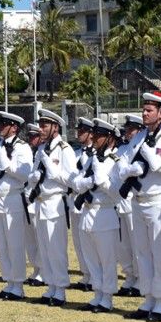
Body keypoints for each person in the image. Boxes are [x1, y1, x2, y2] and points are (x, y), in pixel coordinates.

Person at [118, 92, 161, 322]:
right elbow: (123, 162)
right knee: (142, 254)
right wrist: (127, 171)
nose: (145, 113)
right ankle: (147, 297)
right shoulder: (138, 139)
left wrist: (158, 164)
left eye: (150, 110)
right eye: (144, 109)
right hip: (138, 201)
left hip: (160, 201)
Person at [70, 118, 122, 312]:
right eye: (95, 135)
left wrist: (103, 182)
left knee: (106, 259)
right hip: (87, 211)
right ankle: (97, 293)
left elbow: (117, 193)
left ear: (109, 138)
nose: (95, 138)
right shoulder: (93, 159)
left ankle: (107, 297)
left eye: (99, 135)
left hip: (105, 213)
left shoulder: (115, 161)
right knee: (91, 257)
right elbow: (76, 183)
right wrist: (92, 180)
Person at [0, 111, 33, 299]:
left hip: (13, 199)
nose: (1, 127)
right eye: (0, 124)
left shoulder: (23, 148)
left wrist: (7, 165)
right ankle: (9, 282)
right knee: (2, 244)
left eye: (5, 125)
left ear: (14, 127)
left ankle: (18, 284)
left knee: (15, 244)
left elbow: (25, 173)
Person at [27, 109, 77, 306]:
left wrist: (53, 170)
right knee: (45, 248)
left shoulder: (65, 150)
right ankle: (50, 286)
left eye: (45, 125)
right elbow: (34, 175)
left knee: (56, 248)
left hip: (56, 202)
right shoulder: (41, 150)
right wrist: (33, 178)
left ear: (55, 127)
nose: (41, 129)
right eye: (40, 125)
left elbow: (71, 179)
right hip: (40, 202)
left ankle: (60, 289)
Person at [116, 115, 144, 297]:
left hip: (135, 200)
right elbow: (119, 172)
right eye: (126, 130)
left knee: (137, 244)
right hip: (121, 201)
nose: (127, 133)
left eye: (131, 129)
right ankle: (129, 277)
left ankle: (141, 279)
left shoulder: (142, 149)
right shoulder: (123, 150)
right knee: (124, 245)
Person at [70, 117, 94, 292]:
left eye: (82, 131)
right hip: (75, 200)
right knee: (79, 242)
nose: (79, 134)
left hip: (91, 201)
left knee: (93, 243)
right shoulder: (76, 153)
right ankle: (86, 274)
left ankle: (94, 276)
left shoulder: (96, 154)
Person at [23, 124, 44, 287]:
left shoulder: (43, 153)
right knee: (31, 241)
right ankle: (36, 269)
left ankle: (43, 271)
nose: (31, 140)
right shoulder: (33, 154)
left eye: (34, 136)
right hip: (29, 202)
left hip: (39, 201)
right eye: (30, 137)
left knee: (40, 239)